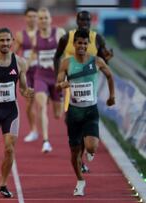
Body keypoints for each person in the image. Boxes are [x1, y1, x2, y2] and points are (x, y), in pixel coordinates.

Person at [56, 29, 115, 196]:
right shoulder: (67, 63)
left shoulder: (96, 61)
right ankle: (80, 180)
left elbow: (110, 76)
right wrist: (61, 85)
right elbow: (58, 82)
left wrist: (112, 96)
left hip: (90, 110)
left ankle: (90, 149)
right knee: (75, 151)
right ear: (73, 44)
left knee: (91, 146)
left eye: (84, 43)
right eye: (79, 43)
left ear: (88, 45)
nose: (81, 46)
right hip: (74, 112)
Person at [0, 28, 34, 198]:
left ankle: (3, 184)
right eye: (2, 40)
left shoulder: (20, 62)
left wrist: (27, 92)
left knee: (9, 148)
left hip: (10, 111)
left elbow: (23, 88)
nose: (5, 44)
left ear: (12, 42)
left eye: (8, 40)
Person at [31, 7, 65, 152]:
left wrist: (61, 66)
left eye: (46, 18)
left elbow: (68, 53)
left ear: (50, 19)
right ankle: (46, 141)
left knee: (58, 114)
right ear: (37, 21)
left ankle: (51, 96)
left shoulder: (59, 33)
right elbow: (32, 56)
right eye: (41, 18)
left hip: (57, 78)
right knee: (41, 106)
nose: (43, 21)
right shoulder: (35, 36)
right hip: (41, 76)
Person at [13, 7, 39, 142]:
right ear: (25, 18)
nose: (32, 19)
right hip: (28, 72)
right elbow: (15, 53)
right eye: (29, 16)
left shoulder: (43, 33)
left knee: (55, 110)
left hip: (42, 71)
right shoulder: (20, 35)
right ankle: (34, 129)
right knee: (30, 102)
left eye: (35, 16)